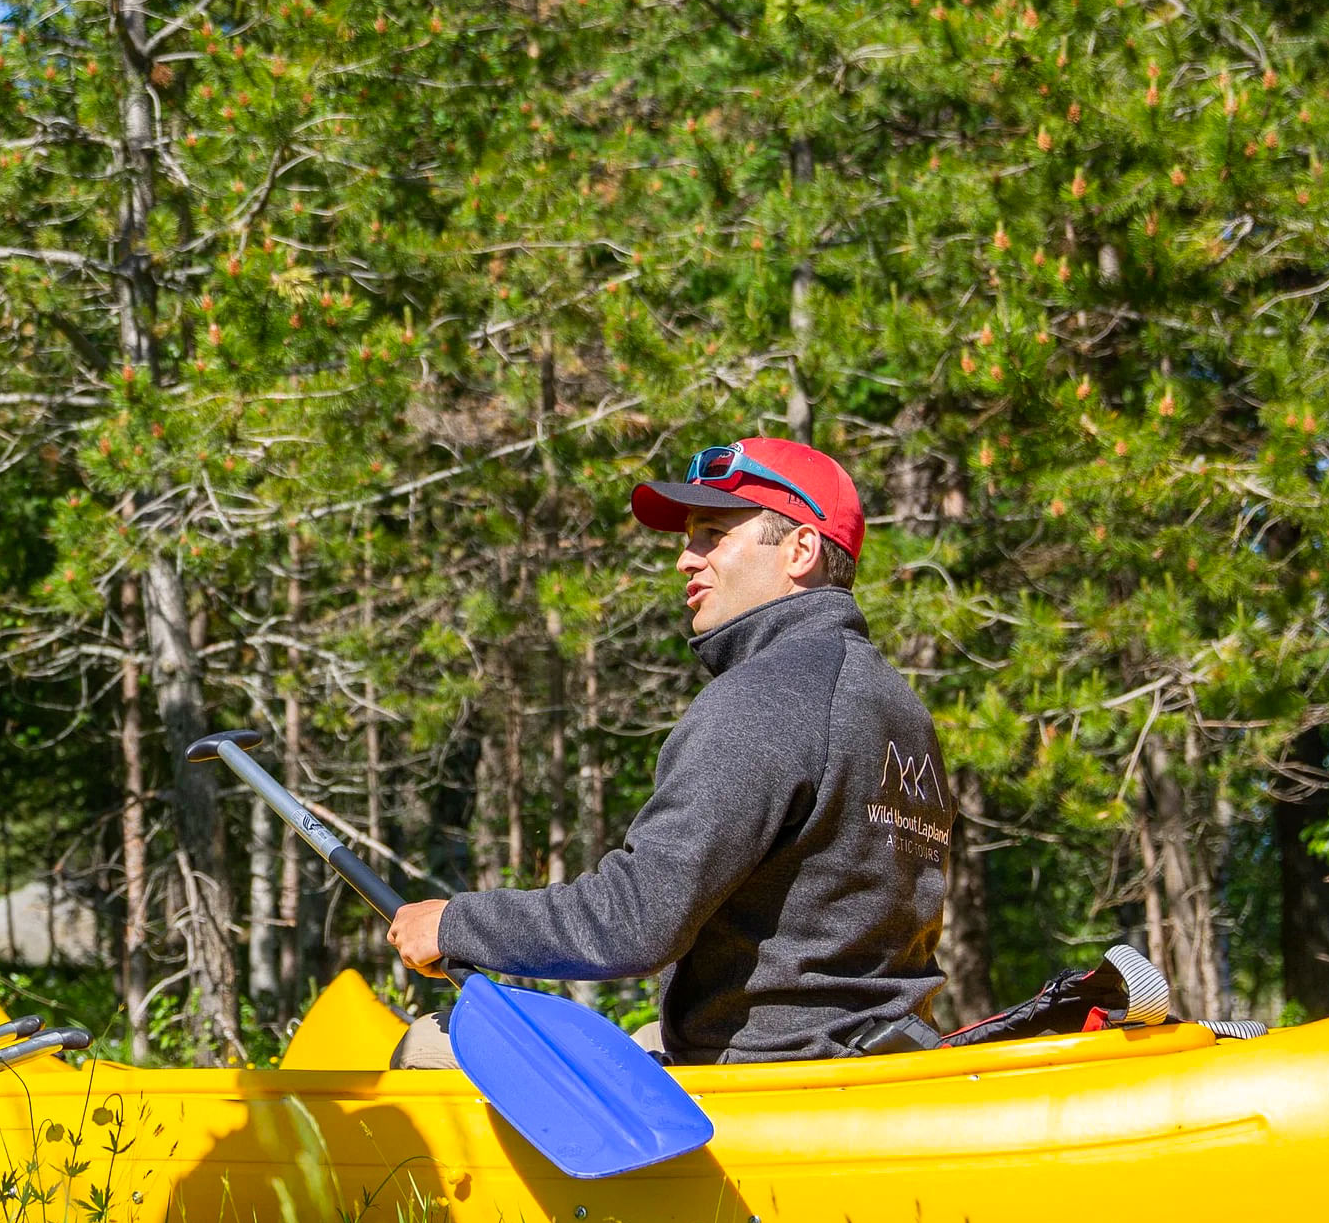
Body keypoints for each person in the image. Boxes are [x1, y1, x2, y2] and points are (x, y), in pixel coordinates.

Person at [389, 438, 954, 1063]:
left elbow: (635, 919)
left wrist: (453, 924)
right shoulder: (898, 706)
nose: (686, 559)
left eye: (713, 533)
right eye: (689, 538)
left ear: (800, 551)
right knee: (645, 1039)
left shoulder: (764, 699)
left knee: (427, 1045)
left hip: (771, 1077)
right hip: (874, 1056)